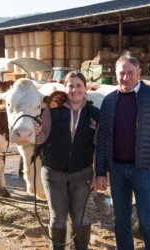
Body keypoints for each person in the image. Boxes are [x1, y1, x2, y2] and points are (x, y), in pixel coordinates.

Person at [95, 53, 150, 250]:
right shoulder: (110, 100)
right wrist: (100, 172)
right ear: (116, 74)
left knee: (147, 220)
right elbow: (103, 137)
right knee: (121, 221)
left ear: (139, 73)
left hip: (144, 170)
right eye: (122, 73)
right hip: (117, 170)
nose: (126, 77)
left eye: (130, 72)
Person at [35, 71, 99, 250]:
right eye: (71, 85)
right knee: (58, 218)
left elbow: (97, 147)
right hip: (53, 173)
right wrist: (37, 131)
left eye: (79, 85)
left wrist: (97, 174)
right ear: (66, 88)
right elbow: (41, 139)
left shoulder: (94, 113)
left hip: (82, 173)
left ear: (85, 88)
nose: (75, 89)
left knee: (79, 217)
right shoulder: (52, 110)